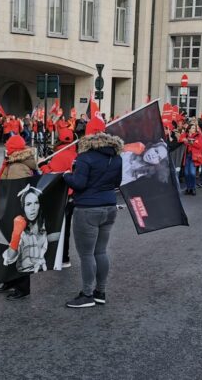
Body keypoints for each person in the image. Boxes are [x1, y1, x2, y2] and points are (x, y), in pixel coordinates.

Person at [62, 118, 123, 308]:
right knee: (101, 251)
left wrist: (66, 176)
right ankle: (100, 292)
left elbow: (79, 183)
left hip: (88, 209)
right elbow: (117, 183)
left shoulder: (85, 157)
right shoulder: (116, 156)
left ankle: (87, 294)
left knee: (86, 254)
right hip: (109, 207)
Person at [0, 135, 39, 300]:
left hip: (15, 213)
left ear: (12, 150)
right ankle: (11, 281)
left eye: (7, 147)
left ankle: (22, 287)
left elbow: (11, 191)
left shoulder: (17, 167)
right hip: (15, 214)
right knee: (12, 247)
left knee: (18, 249)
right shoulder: (14, 164)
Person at [39, 128, 77, 268]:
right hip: (73, 195)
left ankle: (54, 256)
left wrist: (43, 165)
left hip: (60, 195)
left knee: (55, 227)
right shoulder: (76, 154)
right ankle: (65, 257)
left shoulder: (58, 155)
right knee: (66, 228)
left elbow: (52, 175)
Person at [178, 124, 202, 196]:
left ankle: (193, 188)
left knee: (192, 173)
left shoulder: (198, 136)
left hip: (194, 156)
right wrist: (183, 139)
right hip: (186, 156)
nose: (193, 129)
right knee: (186, 173)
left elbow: (200, 146)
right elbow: (179, 140)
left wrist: (193, 143)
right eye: (192, 128)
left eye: (194, 128)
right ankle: (188, 188)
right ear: (189, 129)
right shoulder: (185, 135)